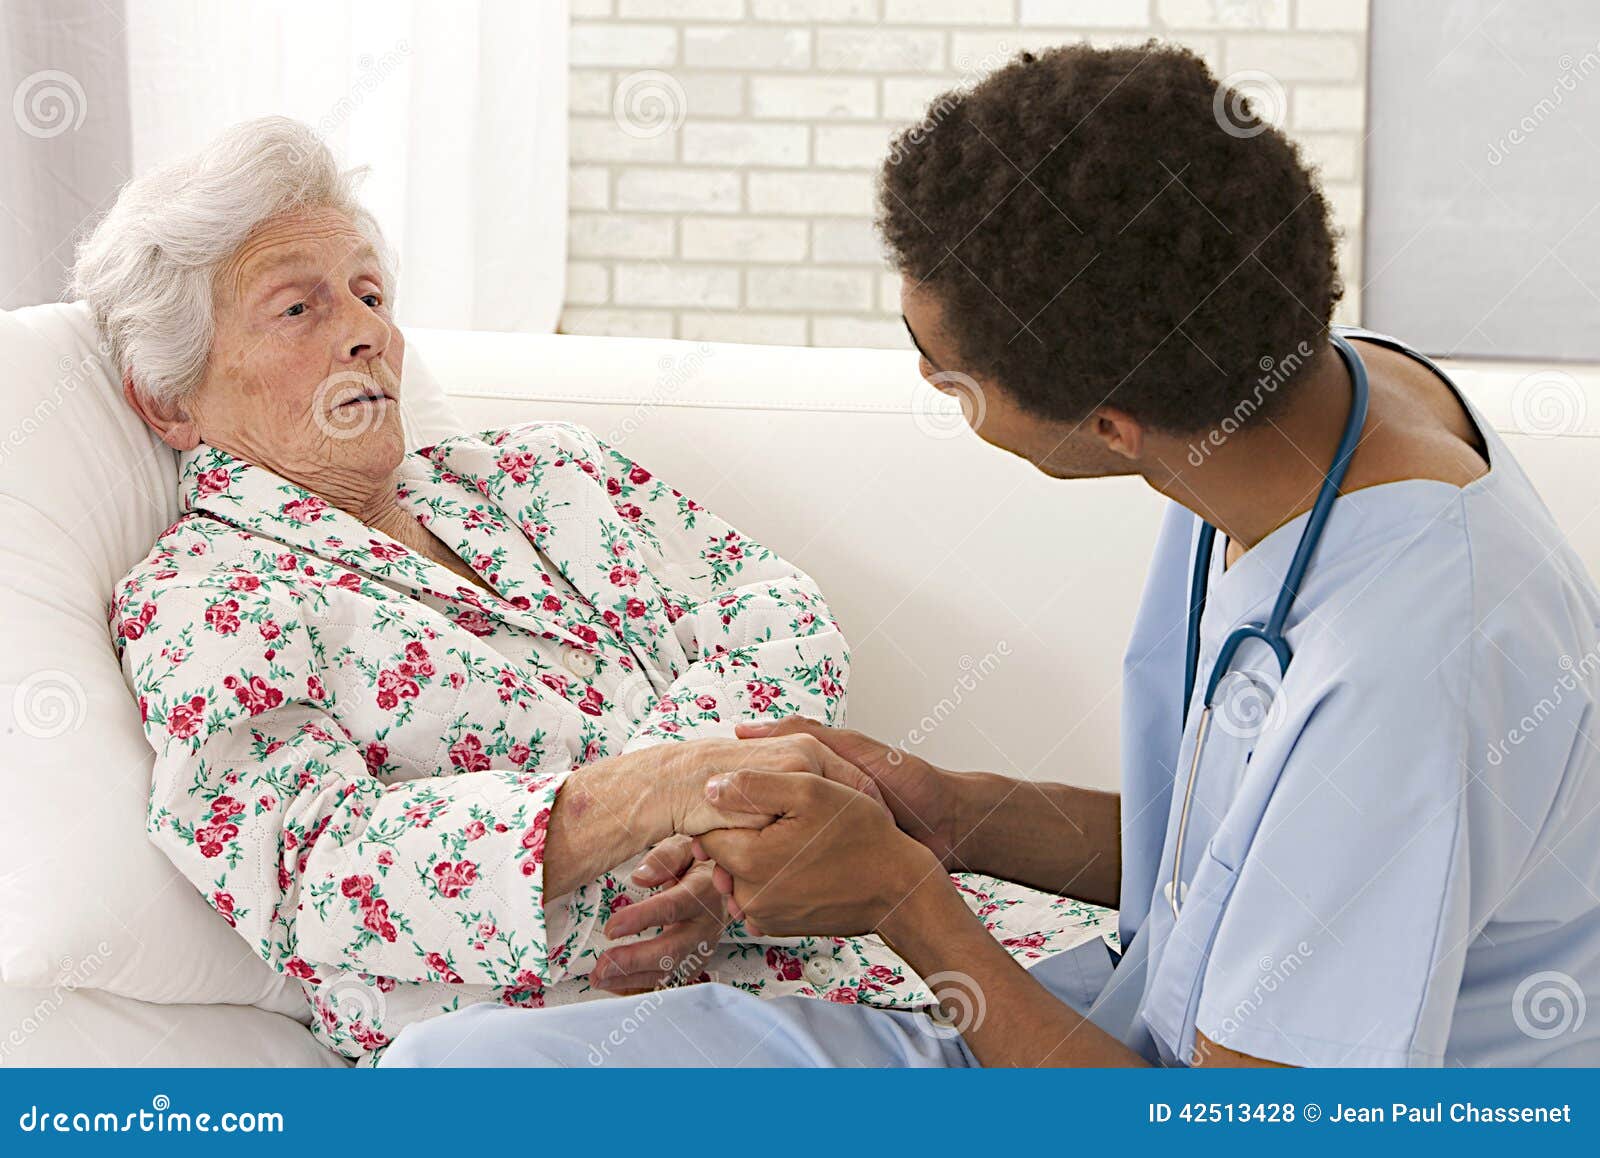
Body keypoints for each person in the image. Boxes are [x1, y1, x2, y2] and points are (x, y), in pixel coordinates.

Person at [382, 42, 1600, 1069]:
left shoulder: (1412, 659)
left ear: (1110, 426)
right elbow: (1239, 851)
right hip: (1108, 1034)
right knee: (447, 1074)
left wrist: (907, 905)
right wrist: (947, 811)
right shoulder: (1288, 399)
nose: (924, 377)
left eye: (944, 365)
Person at [83, 117, 1107, 1064]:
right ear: (169, 400)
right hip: (598, 1036)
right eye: (299, 307)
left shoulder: (546, 473)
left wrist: (708, 813)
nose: (366, 333)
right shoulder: (205, 599)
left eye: (370, 293)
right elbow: (318, 876)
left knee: (1191, 1006)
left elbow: (771, 610)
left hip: (887, 951)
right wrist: (644, 800)